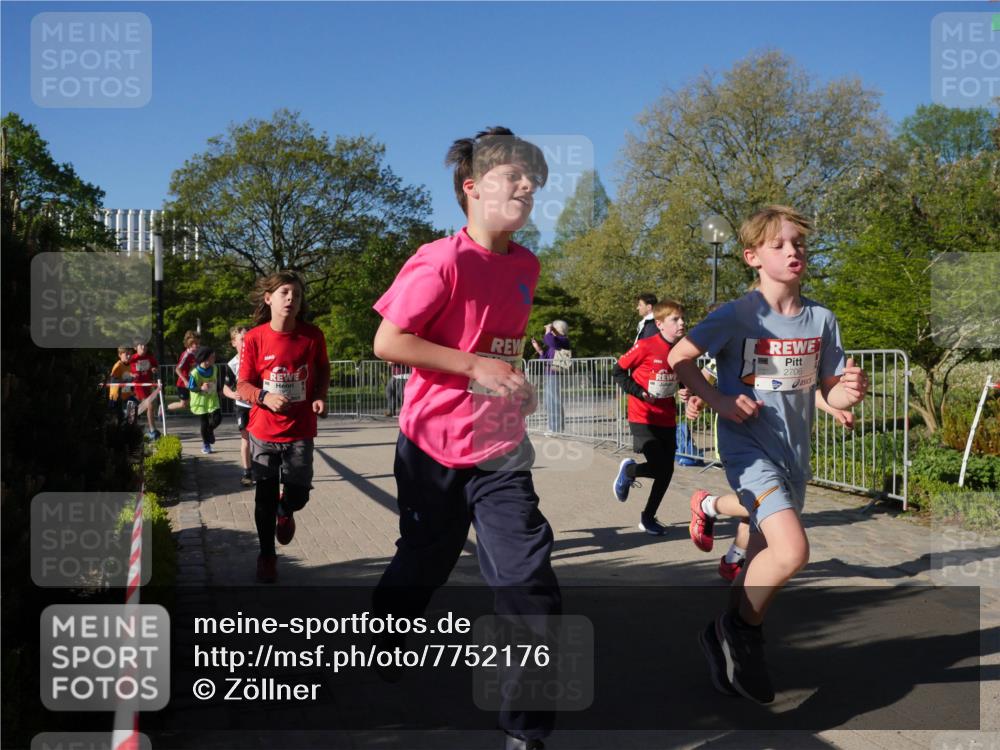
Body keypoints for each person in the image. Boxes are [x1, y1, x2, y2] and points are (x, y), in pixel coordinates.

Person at [370, 126, 560, 750]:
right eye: (515, 175)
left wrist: (514, 383)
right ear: (473, 188)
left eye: (535, 178)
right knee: (425, 560)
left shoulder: (526, 265)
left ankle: (526, 733)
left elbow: (498, 351)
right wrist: (475, 366)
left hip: (500, 449)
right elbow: (389, 343)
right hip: (429, 445)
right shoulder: (440, 260)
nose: (528, 186)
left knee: (528, 581)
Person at [667, 205, 868, 704]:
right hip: (748, 450)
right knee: (792, 551)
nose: (793, 251)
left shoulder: (821, 319)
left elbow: (829, 391)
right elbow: (679, 357)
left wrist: (850, 392)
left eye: (798, 243)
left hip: (794, 455)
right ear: (752, 256)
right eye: (779, 244)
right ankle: (739, 631)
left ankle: (726, 640)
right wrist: (716, 398)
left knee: (760, 557)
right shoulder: (738, 315)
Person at [236, 271, 331, 584]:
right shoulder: (254, 338)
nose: (291, 298)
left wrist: (318, 397)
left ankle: (286, 509)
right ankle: (266, 556)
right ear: (269, 298)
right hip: (263, 431)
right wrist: (264, 396)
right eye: (285, 292)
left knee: (300, 493)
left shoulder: (312, 336)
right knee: (263, 495)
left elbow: (322, 370)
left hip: (300, 430)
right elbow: (244, 385)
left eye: (297, 294)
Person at [611, 300, 686, 535]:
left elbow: (682, 376)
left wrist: (685, 388)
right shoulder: (645, 346)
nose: (682, 322)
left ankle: (647, 516)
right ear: (661, 324)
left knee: (666, 472)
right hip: (642, 415)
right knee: (658, 466)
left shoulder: (683, 349)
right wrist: (640, 392)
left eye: (682, 318)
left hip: (666, 416)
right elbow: (618, 371)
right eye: (675, 319)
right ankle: (629, 472)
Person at [222, 326, 254, 486]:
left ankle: (264, 469)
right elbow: (225, 387)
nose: (246, 342)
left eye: (248, 339)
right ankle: (247, 472)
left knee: (262, 439)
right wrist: (233, 394)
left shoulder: (257, 357)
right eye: (242, 340)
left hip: (259, 404)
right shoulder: (232, 364)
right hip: (242, 405)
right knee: (246, 439)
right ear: (234, 342)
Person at [530, 320, 571, 435]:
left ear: (558, 330)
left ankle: (555, 429)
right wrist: (539, 350)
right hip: (550, 375)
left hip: (555, 375)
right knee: (550, 402)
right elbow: (545, 359)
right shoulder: (555, 344)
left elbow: (548, 339)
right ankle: (557, 428)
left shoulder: (563, 341)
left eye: (554, 329)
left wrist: (548, 329)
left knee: (553, 402)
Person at [189, 345, 223, 455]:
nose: (214, 358)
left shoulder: (215, 368)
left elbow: (216, 381)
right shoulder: (195, 373)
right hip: (200, 401)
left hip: (212, 399)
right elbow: (191, 387)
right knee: (204, 423)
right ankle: (206, 444)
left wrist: (220, 390)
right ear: (205, 358)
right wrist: (201, 388)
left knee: (218, 418)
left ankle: (210, 430)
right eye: (212, 357)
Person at [129, 339, 160, 439]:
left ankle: (129, 421)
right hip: (137, 386)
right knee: (149, 406)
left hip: (147, 386)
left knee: (145, 408)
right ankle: (152, 430)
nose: (143, 347)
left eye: (145, 345)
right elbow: (126, 369)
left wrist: (154, 369)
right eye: (141, 345)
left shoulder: (150, 358)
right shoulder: (132, 358)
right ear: (135, 348)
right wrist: (130, 374)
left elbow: (155, 366)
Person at [169, 330, 200, 411]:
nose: (197, 346)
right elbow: (177, 369)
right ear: (189, 344)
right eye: (195, 344)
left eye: (198, 343)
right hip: (183, 383)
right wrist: (185, 381)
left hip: (192, 381)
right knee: (183, 404)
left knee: (197, 398)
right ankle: (163, 409)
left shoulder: (195, 354)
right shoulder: (185, 355)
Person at [107, 345, 136, 422]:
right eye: (126, 354)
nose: (129, 356)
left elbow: (130, 381)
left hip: (127, 394)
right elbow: (114, 382)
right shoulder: (118, 366)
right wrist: (127, 381)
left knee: (134, 407)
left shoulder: (131, 365)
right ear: (120, 355)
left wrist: (132, 386)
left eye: (130, 354)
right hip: (115, 397)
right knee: (116, 417)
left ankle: (129, 425)